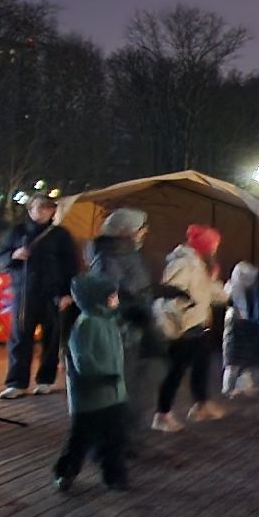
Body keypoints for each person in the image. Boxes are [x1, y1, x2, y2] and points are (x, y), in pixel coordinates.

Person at [85, 208, 162, 447]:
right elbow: (111, 293)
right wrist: (133, 309)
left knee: (140, 380)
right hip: (122, 329)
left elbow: (136, 286)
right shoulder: (109, 257)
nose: (144, 233)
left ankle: (128, 433)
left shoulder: (128, 252)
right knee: (123, 384)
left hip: (136, 326)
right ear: (126, 232)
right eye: (141, 228)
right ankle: (116, 439)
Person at [0, 196, 82, 399]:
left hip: (53, 294)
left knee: (51, 338)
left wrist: (67, 293)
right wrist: (13, 255)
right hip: (24, 292)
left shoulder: (60, 235)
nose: (42, 212)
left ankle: (45, 380)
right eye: (39, 208)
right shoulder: (17, 232)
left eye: (48, 208)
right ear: (30, 209)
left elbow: (71, 265)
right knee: (20, 337)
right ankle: (17, 382)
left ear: (53, 212)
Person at [53, 272, 129, 493]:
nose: (116, 300)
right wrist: (105, 376)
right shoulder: (86, 325)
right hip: (91, 396)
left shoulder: (109, 321)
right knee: (81, 439)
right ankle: (66, 471)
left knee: (115, 439)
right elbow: (83, 361)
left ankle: (114, 475)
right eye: (111, 296)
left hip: (113, 394)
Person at [153, 224, 229, 431]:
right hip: (186, 326)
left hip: (198, 323)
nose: (214, 250)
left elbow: (206, 290)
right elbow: (171, 295)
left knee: (201, 366)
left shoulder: (198, 263)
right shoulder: (184, 264)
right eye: (213, 245)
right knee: (176, 371)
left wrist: (220, 291)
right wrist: (185, 315)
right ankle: (163, 414)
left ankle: (201, 405)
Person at [221, 261, 259, 398]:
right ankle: (229, 388)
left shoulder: (245, 290)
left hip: (245, 326)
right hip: (236, 326)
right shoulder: (234, 289)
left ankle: (242, 385)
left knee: (243, 358)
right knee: (233, 359)